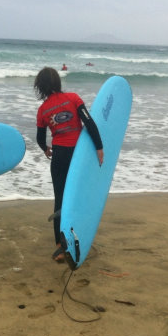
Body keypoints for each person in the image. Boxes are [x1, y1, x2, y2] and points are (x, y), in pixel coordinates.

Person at [34, 67, 104, 261]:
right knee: (80, 197)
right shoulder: (73, 98)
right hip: (78, 156)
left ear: (40, 87)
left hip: (59, 158)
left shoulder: (43, 110)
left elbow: (40, 138)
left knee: (60, 200)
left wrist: (46, 149)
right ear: (57, 82)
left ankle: (60, 246)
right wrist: (99, 147)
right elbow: (89, 123)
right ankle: (78, 237)